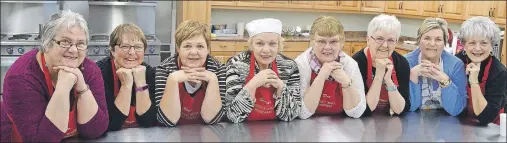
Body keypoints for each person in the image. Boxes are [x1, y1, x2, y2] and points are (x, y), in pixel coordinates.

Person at [0, 10, 108, 142]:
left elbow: (96, 130)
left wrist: (82, 88)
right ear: (47, 45)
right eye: (65, 42)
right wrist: (63, 88)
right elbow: (41, 140)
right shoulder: (20, 77)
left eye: (80, 43)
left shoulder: (91, 70)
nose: (74, 50)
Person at [225, 18, 301, 123]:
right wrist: (253, 84)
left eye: (272, 44)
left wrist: (280, 87)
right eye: (260, 43)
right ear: (251, 45)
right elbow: (232, 116)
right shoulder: (236, 65)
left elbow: (292, 115)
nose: (266, 50)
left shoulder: (289, 66)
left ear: (279, 45)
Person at [155, 20, 226, 126]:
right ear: (178, 49)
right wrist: (172, 80)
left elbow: (212, 120)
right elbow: (167, 121)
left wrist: (213, 80)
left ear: (207, 50)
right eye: (187, 46)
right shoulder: (165, 69)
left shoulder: (218, 69)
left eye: (200, 46)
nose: (193, 52)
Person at [295, 16, 366, 119]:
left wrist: (346, 82)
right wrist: (321, 76)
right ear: (312, 42)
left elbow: (356, 113)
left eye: (333, 42)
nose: (327, 47)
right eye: (321, 41)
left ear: (341, 43)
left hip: (342, 127)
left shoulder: (350, 65)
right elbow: (302, 113)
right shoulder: (301, 64)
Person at [96, 24, 157, 130]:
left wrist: (141, 83)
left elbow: (148, 121)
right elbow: (111, 124)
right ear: (112, 50)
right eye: (125, 46)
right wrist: (126, 85)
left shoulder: (149, 73)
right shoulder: (99, 73)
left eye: (138, 47)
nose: (132, 52)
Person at [405, 17, 467, 116]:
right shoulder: (406, 62)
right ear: (419, 40)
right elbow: (410, 107)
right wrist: (413, 75)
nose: (432, 44)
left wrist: (445, 81)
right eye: (427, 38)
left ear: (445, 43)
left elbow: (456, 109)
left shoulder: (456, 65)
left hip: (448, 126)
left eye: (438, 39)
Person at [352, 14, 410, 116]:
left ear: (396, 42)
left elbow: (400, 109)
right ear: (368, 40)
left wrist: (388, 80)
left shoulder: (402, 63)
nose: (385, 45)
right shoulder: (356, 63)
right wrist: (379, 75)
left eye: (391, 40)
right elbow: (365, 109)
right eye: (379, 39)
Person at [455, 16, 506, 125]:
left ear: (492, 45)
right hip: (460, 125)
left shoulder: (499, 72)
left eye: (483, 43)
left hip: (490, 130)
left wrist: (474, 80)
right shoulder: (456, 63)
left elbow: (486, 117)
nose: (477, 48)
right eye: (472, 43)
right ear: (464, 45)